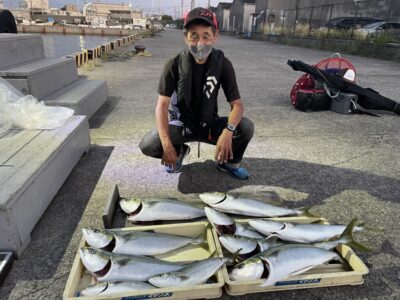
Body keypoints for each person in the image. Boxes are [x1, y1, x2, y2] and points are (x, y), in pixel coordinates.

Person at [139, 7, 254, 180]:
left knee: (245, 127)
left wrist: (228, 131)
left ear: (215, 36)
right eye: (194, 36)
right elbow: (161, 106)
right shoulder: (173, 64)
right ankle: (179, 152)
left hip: (210, 124)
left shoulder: (223, 64)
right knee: (149, 144)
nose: (200, 43)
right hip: (181, 125)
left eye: (206, 36)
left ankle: (228, 163)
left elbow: (237, 105)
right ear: (185, 37)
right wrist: (167, 144)